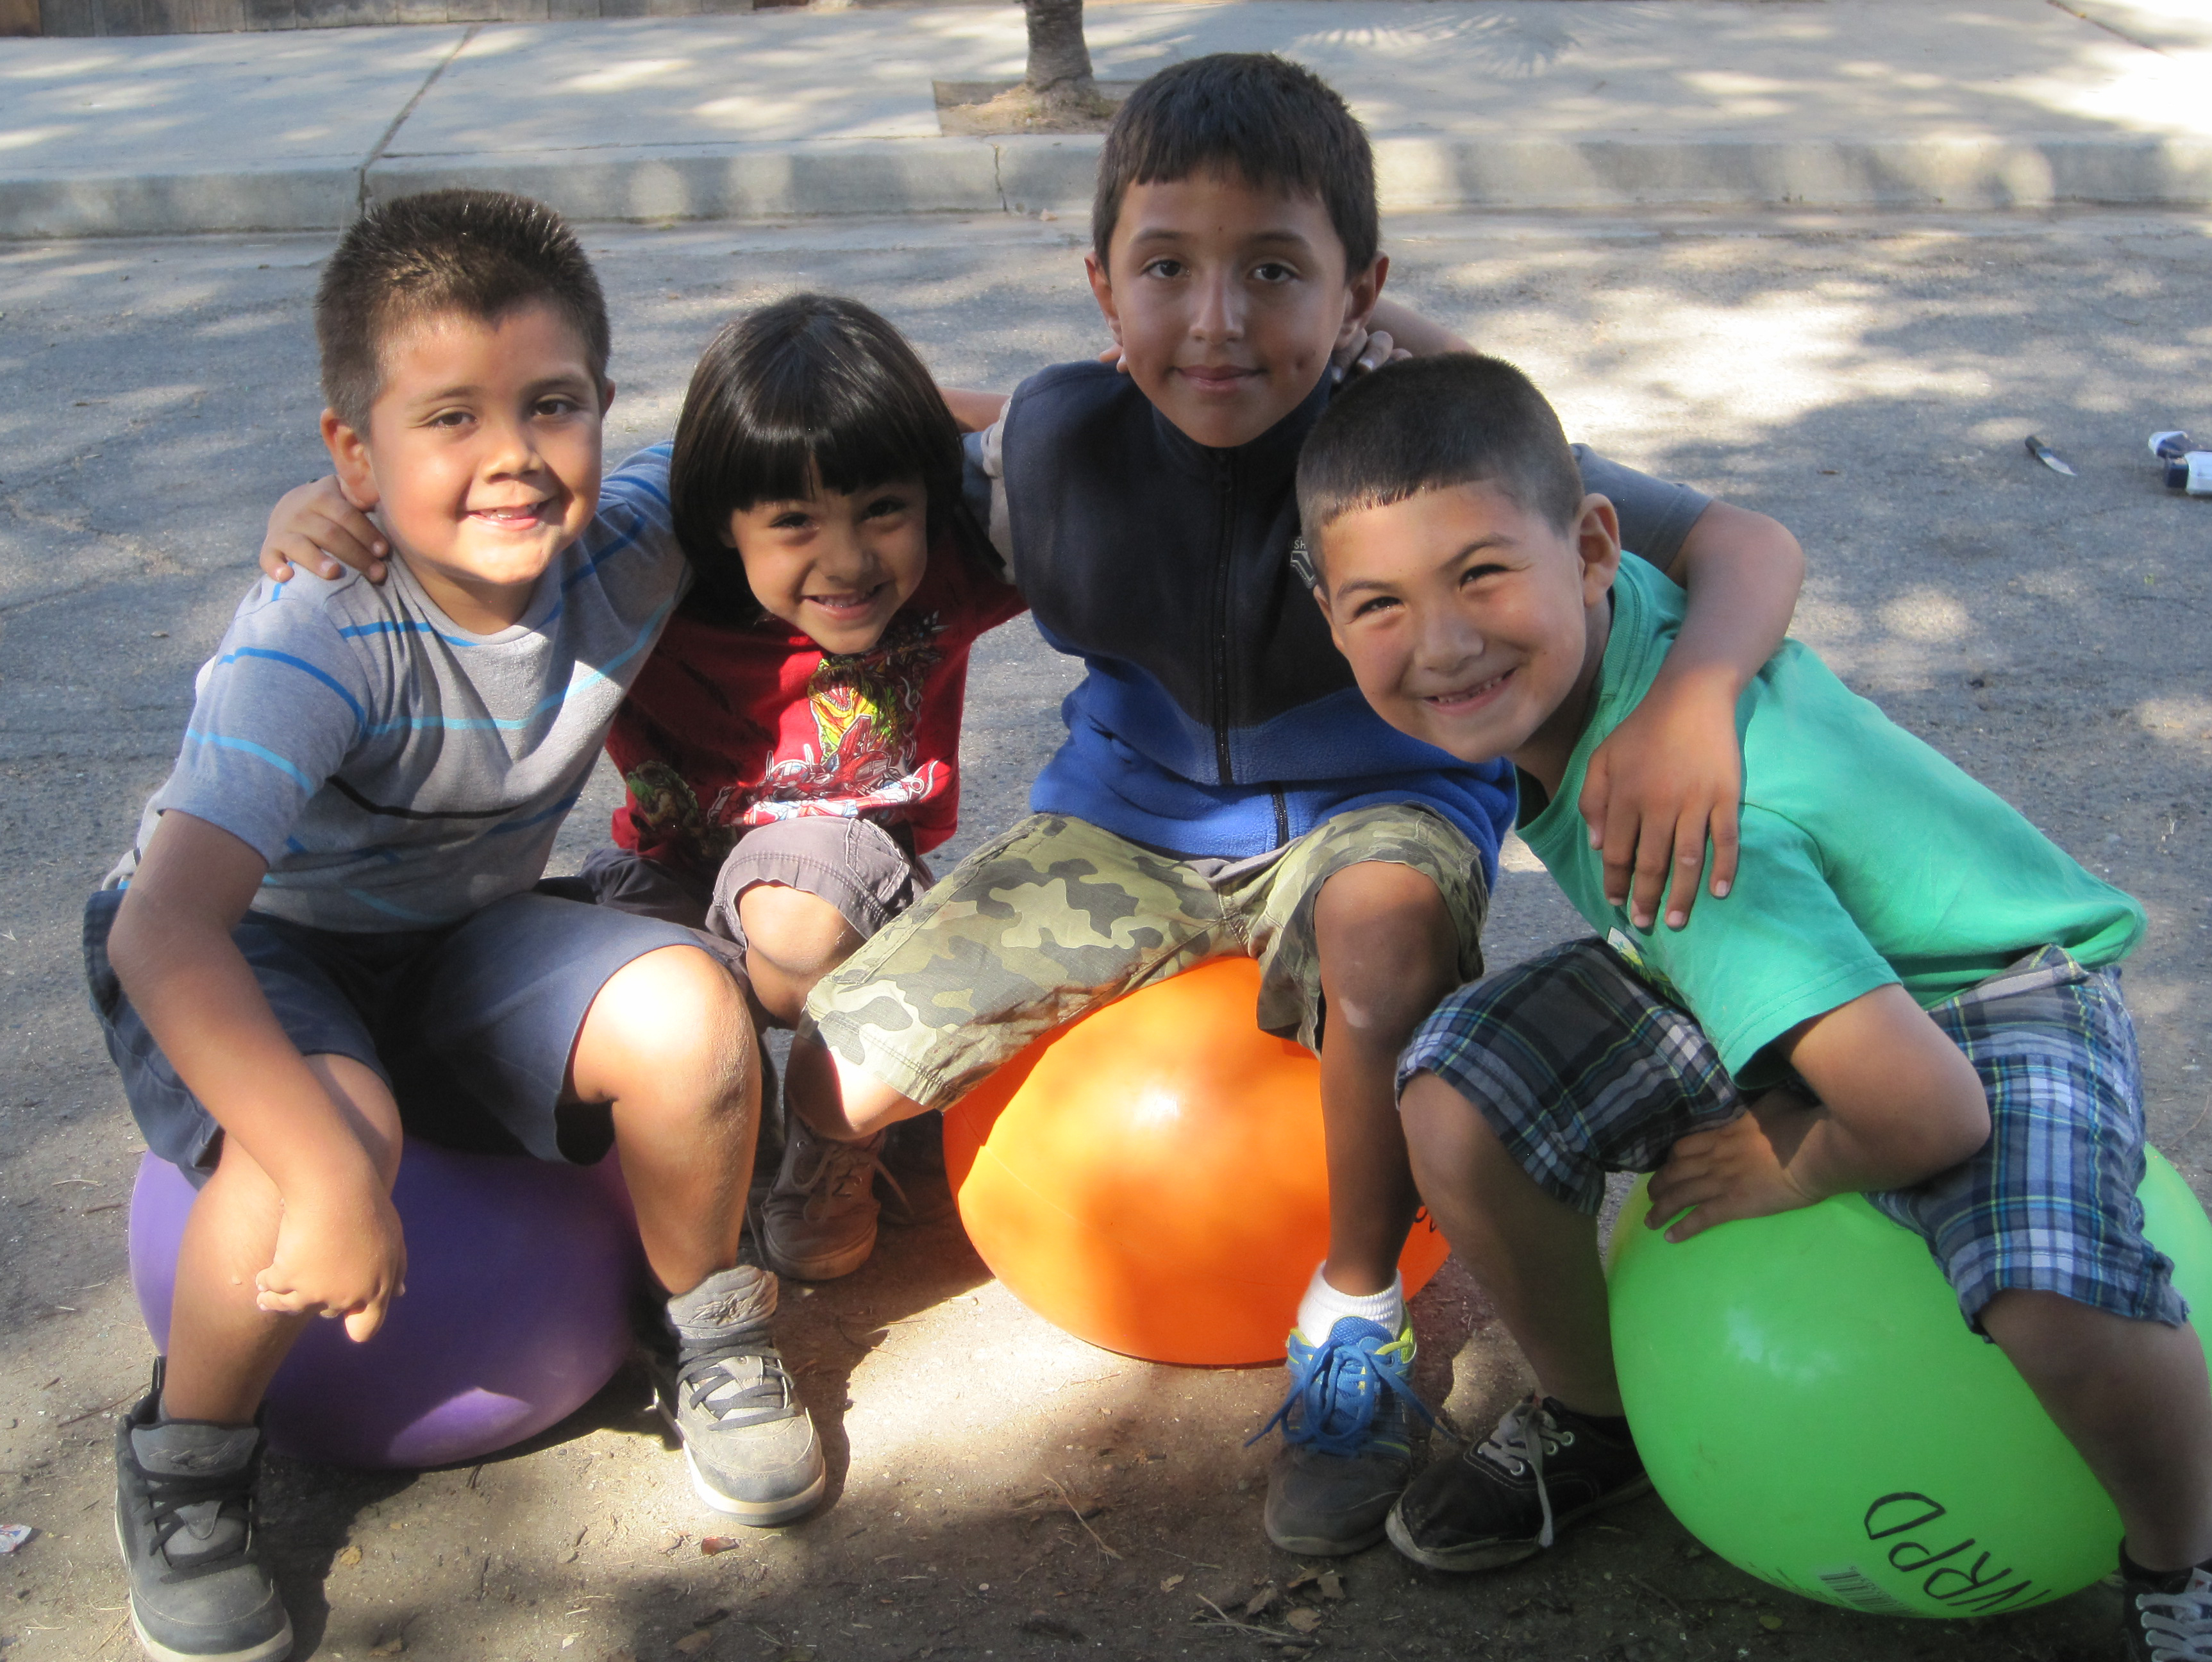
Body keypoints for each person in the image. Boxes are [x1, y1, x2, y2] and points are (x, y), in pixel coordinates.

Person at [777, 51, 1809, 1558]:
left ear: (1360, 291)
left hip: (1375, 812)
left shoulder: (1412, 448)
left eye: (1276, 271)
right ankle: (816, 1177)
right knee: (832, 1071)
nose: (1216, 319)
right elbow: (801, 441)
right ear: (1101, 286)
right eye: (1167, 270)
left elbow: (1742, 540)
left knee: (1383, 946)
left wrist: (1696, 699)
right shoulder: (1050, 443)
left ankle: (1357, 1325)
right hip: (1119, 825)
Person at [1296, 351, 2211, 1661]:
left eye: (1483, 575)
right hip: (1750, 960)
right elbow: (1684, 524)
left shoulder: (1674, 829)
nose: (1442, 642)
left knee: (2054, 1296)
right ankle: (1599, 1419)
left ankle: (2184, 1560)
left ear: (1594, 547)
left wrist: (1799, 1157)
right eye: (1380, 602)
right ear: (1327, 613)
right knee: (1458, 1103)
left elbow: (1930, 1111)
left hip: (1993, 993)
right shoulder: (1630, 625)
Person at [88, 190, 823, 1662]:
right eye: (448, 420)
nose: (510, 456)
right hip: (256, 950)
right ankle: (188, 1461)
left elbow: (851, 421)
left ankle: (712, 1329)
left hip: (459, 937)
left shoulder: (630, 536)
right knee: (327, 1138)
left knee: (694, 1017)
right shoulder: (316, 634)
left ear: (605, 408)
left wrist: (1110, 399)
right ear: (351, 457)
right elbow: (163, 935)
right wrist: (327, 1177)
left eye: (551, 406)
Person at [264, 294, 1028, 1280]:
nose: (845, 559)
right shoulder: (650, 573)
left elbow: (1057, 443)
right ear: (724, 521)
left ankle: (836, 1139)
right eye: (793, 522)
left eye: (882, 511)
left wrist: (978, 407)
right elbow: (463, 530)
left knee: (791, 920)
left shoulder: (950, 559)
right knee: (658, 1019)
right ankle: (772, 1110)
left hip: (840, 880)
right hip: (663, 871)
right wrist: (320, 506)